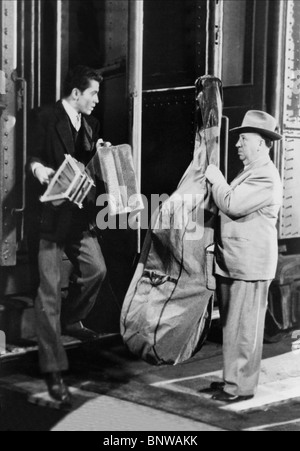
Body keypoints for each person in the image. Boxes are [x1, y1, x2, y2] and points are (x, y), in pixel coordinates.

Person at [27, 66, 108, 404]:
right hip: (48, 217)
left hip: (77, 217)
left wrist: (100, 153)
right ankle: (53, 370)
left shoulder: (91, 126)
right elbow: (28, 154)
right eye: (93, 94)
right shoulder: (44, 116)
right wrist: (38, 168)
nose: (97, 100)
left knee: (96, 270)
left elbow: (86, 163)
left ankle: (70, 320)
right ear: (76, 94)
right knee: (48, 293)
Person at [205, 111, 283, 403]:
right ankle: (231, 380)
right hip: (236, 261)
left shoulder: (264, 175)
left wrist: (215, 179)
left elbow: (233, 204)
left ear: (262, 144)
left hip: (249, 264)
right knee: (233, 327)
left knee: (245, 330)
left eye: (244, 139)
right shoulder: (251, 170)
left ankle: (240, 388)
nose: (237, 143)